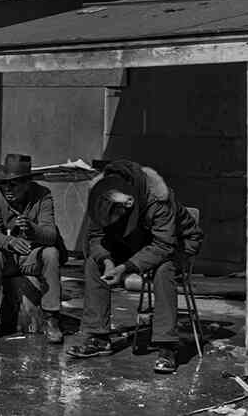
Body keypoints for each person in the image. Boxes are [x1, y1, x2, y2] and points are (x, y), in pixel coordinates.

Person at [67, 159, 203, 374]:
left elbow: (163, 245)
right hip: (134, 241)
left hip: (176, 243)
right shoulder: (102, 195)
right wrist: (107, 261)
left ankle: (166, 346)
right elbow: (95, 237)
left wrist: (126, 268)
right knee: (94, 263)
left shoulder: (159, 198)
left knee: (163, 268)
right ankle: (98, 336)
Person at [0, 153, 66, 344]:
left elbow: (51, 235)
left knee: (51, 253)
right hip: (7, 257)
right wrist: (9, 241)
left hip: (31, 257)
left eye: (14, 184)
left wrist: (33, 230)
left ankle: (51, 319)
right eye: (4, 183)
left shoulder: (43, 196)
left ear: (27, 184)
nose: (8, 188)